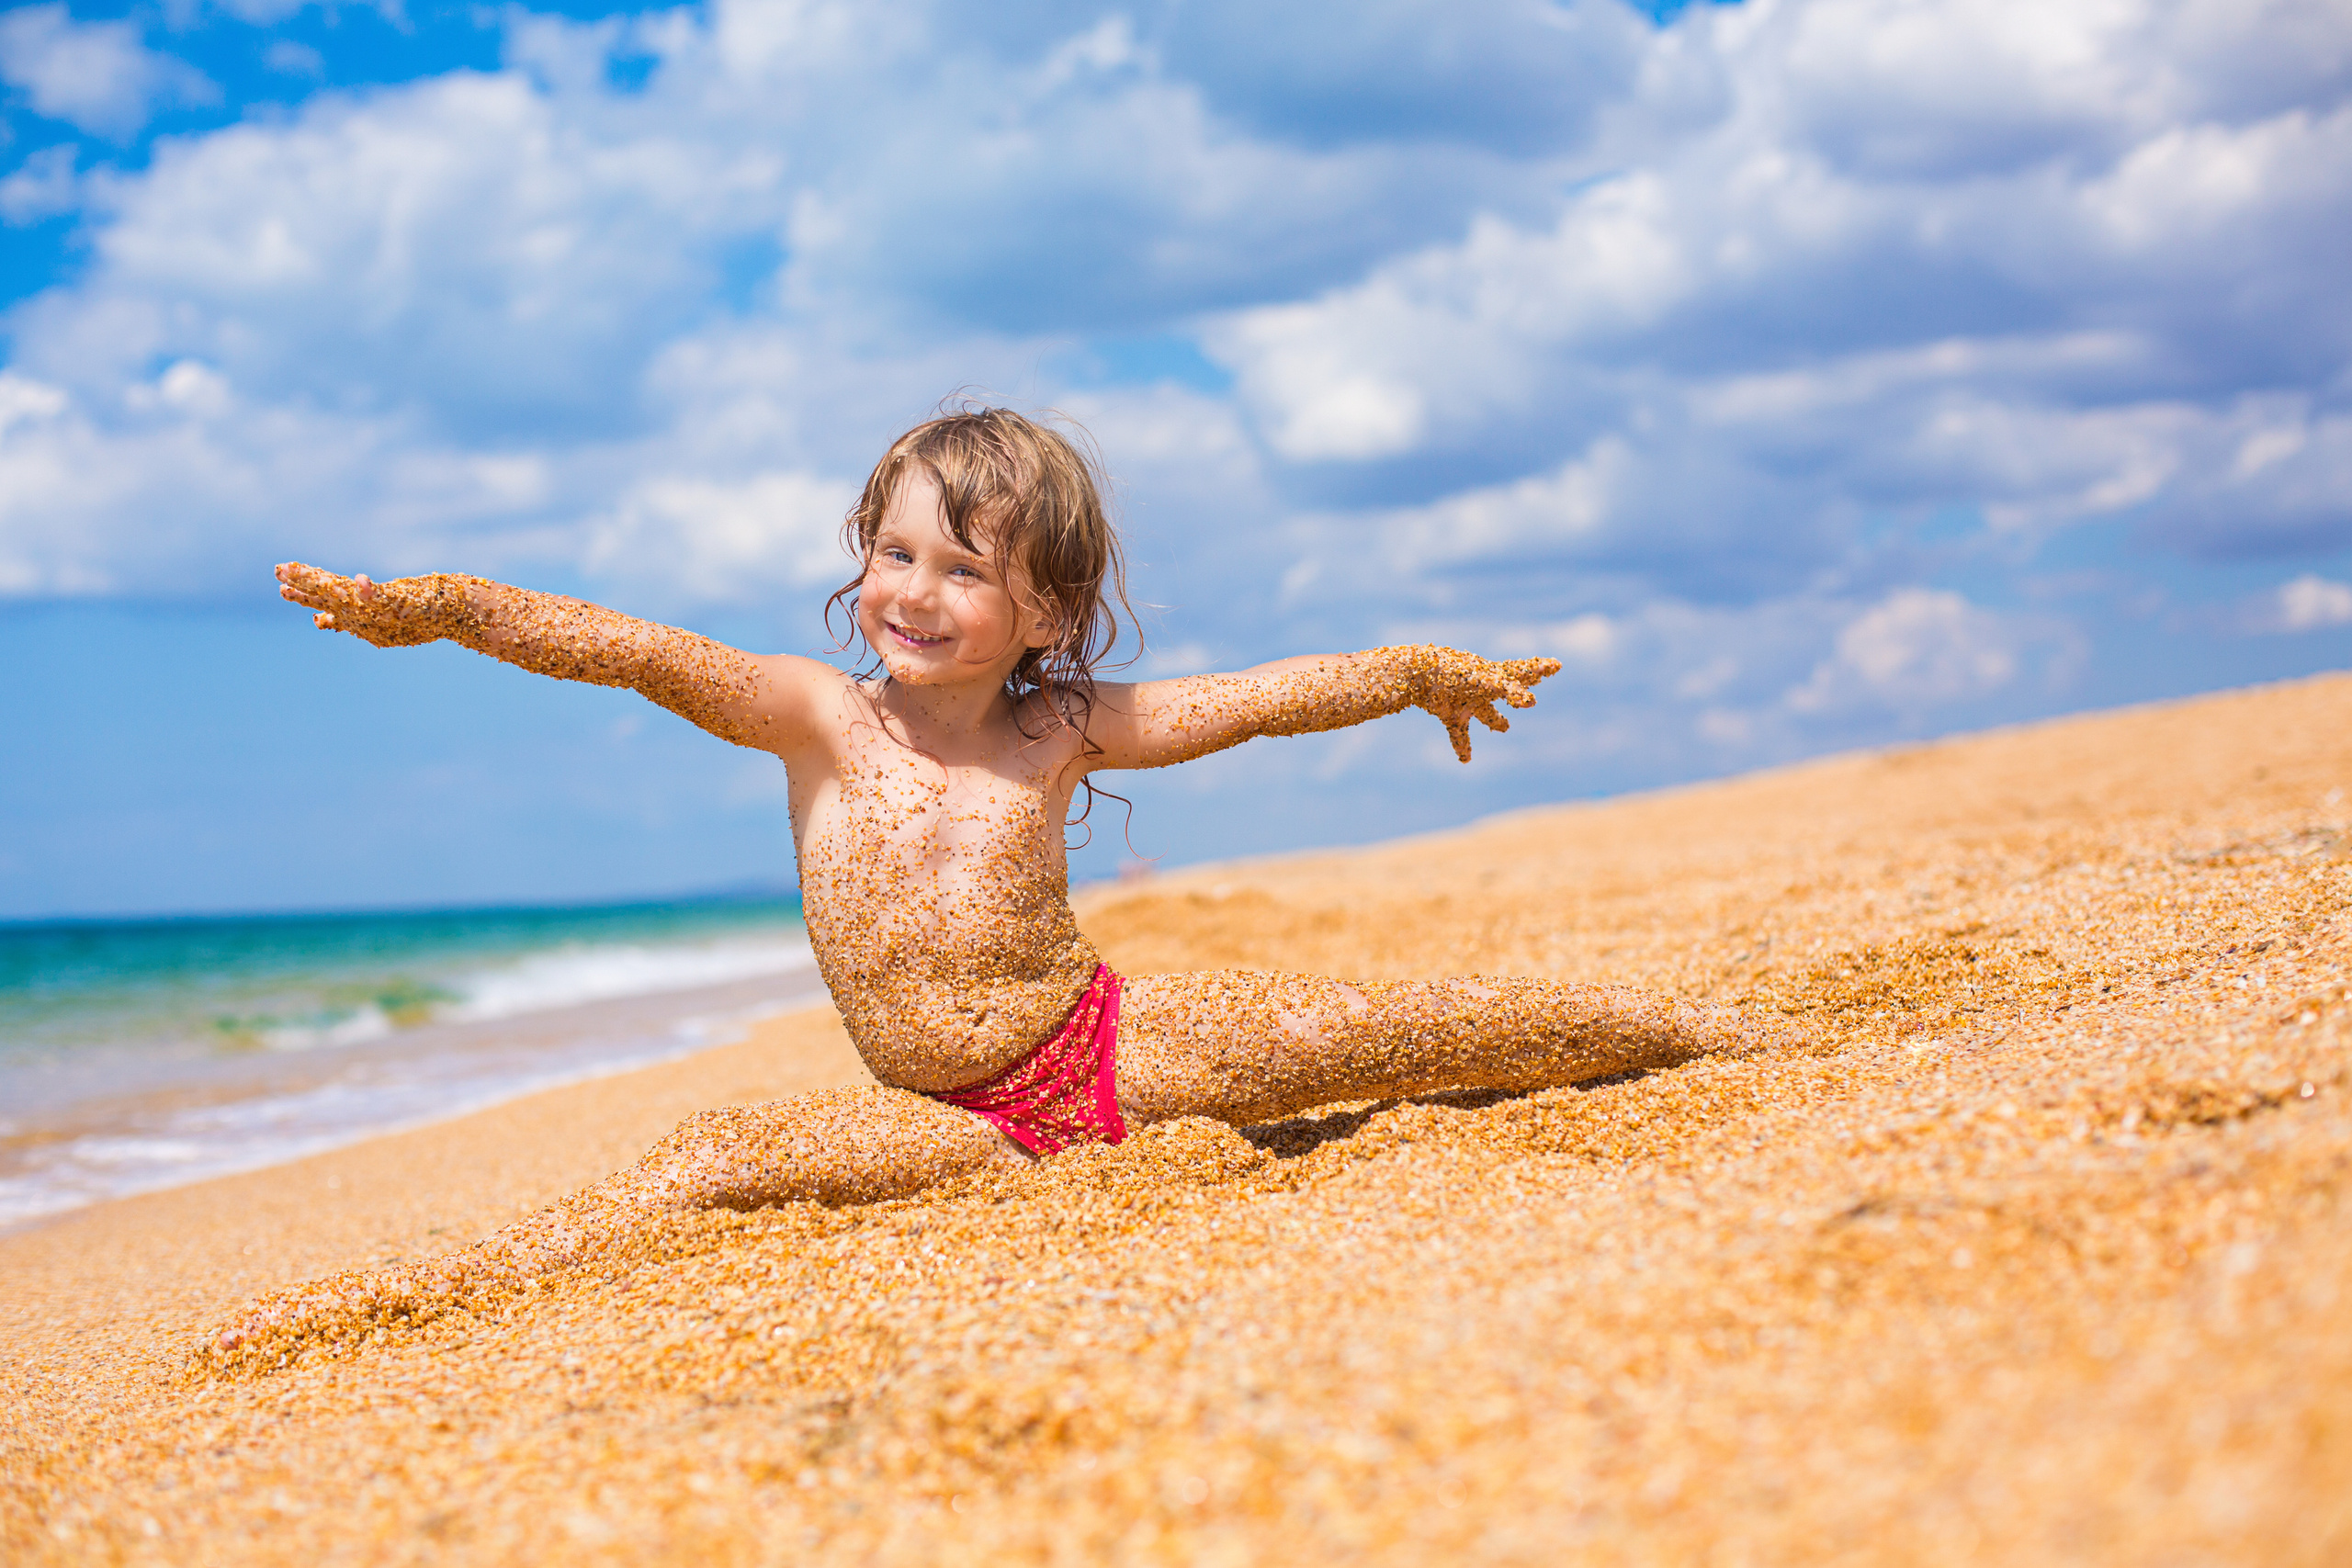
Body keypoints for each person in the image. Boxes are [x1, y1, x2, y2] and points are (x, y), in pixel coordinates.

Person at [223, 406, 1777, 1352]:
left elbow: (1260, 696)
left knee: (1410, 1030)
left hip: (1103, 1058)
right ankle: (421, 1291)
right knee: (705, 1162)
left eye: (968, 571)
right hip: (939, 1126)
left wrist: (1414, 669)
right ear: (860, 557)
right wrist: (435, 607)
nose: (919, 593)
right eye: (898, 555)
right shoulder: (814, 718)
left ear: (1047, 610)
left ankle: (1708, 1038)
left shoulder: (1065, 730)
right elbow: (624, 649)